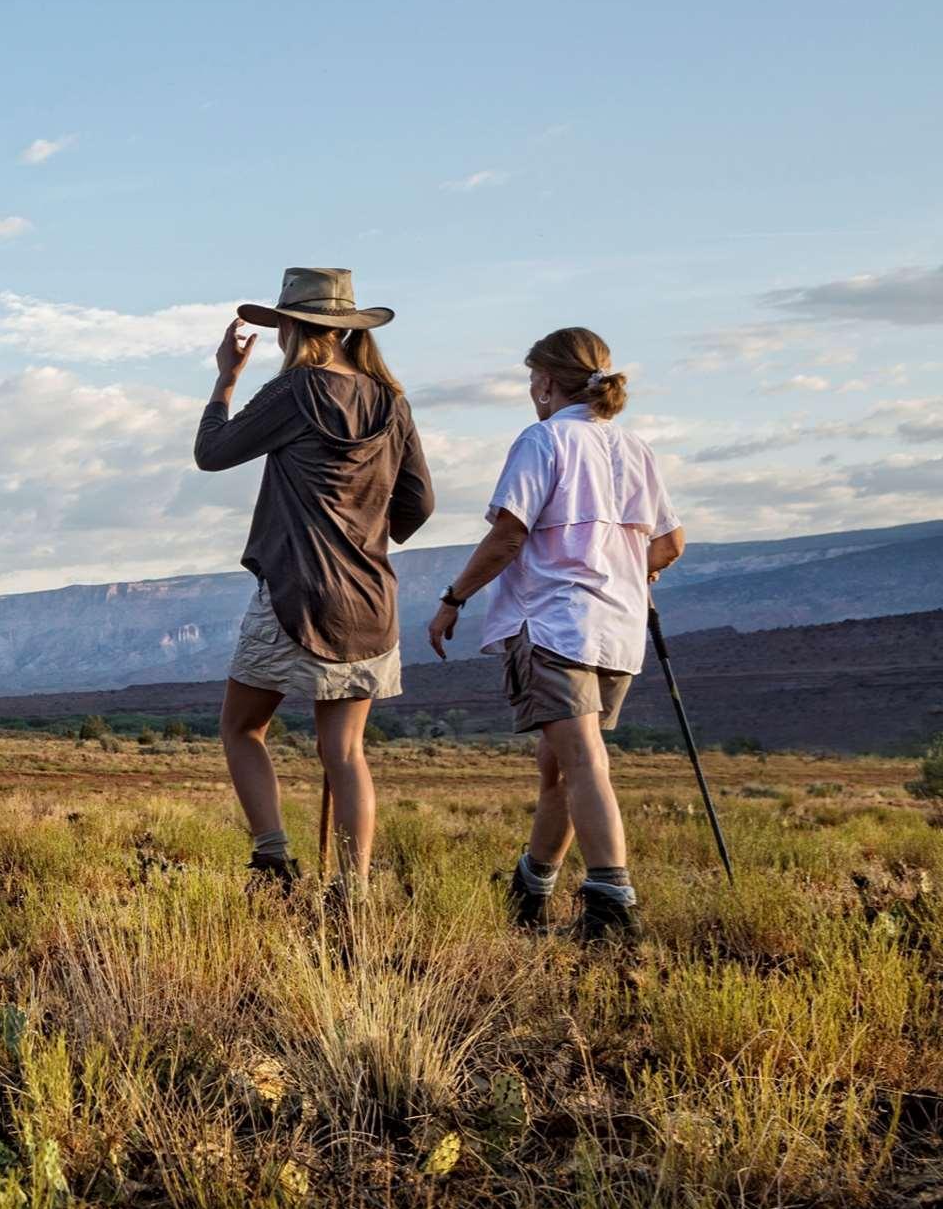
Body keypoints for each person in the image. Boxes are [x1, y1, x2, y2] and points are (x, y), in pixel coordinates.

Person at [427, 326, 682, 941]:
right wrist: (628, 571)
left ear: (543, 382)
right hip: (618, 632)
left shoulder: (543, 440)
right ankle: (531, 886)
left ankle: (610, 903)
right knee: (561, 772)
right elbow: (669, 543)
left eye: (530, 381)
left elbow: (509, 535)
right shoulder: (634, 447)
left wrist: (453, 598)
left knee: (583, 763)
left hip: (555, 625)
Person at [196, 268, 435, 896]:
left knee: (243, 728)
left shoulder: (295, 391)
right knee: (346, 753)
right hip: (369, 598)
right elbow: (418, 504)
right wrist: (365, 526)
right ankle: (352, 891)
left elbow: (212, 452)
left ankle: (273, 862)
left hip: (295, 593)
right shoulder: (392, 402)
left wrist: (226, 378)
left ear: (296, 328)